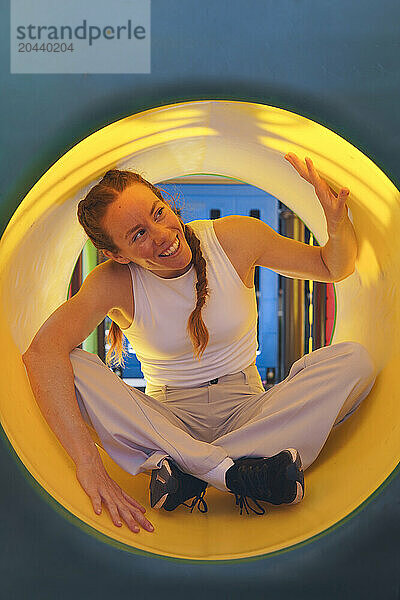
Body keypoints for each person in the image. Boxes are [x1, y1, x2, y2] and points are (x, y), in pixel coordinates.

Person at [21, 153, 376, 535]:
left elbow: (332, 267)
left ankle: (190, 471)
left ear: (165, 201)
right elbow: (41, 353)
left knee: (354, 361)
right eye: (137, 234)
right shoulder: (112, 282)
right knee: (71, 362)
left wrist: (336, 221)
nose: (161, 236)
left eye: (158, 213)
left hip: (248, 409)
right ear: (115, 255)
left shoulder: (233, 239)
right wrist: (85, 460)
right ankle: (238, 471)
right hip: (168, 420)